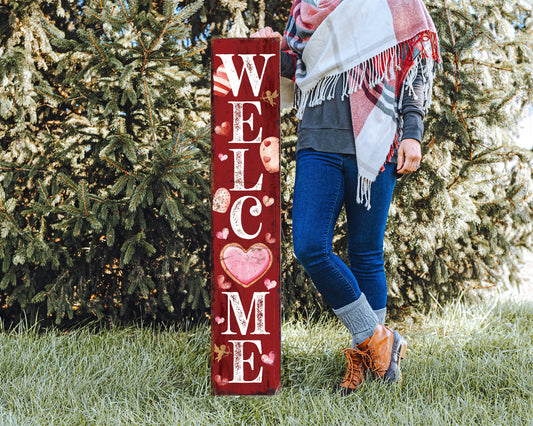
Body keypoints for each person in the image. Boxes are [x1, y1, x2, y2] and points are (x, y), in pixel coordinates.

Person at [252, 0, 440, 393]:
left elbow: (416, 63)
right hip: (318, 140)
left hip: (376, 138)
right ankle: (380, 341)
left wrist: (412, 131)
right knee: (308, 244)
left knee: (366, 254)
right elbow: (297, 66)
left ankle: (369, 363)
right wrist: (270, 49)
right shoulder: (306, 8)